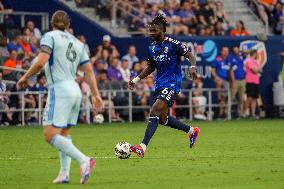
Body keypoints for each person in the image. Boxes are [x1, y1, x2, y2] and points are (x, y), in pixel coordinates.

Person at [16, 10, 103, 184]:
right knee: (63, 133)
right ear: (69, 25)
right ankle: (64, 174)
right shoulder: (78, 43)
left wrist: (25, 78)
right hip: (75, 90)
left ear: (51, 23)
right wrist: (96, 95)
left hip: (60, 89)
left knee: (49, 134)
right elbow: (88, 72)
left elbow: (41, 61)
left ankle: (84, 160)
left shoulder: (50, 36)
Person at [128, 14, 200, 158]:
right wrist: (136, 79)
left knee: (154, 111)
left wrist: (192, 66)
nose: (151, 33)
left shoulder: (173, 43)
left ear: (162, 30)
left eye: (154, 31)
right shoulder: (152, 47)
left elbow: (190, 55)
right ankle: (192, 131)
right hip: (159, 84)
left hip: (172, 83)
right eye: (150, 31)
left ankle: (142, 148)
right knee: (162, 119)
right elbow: (150, 67)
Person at [229, 46, 246, 118]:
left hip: (243, 80)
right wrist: (233, 82)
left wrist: (241, 51)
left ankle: (240, 114)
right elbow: (231, 71)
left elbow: (249, 52)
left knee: (241, 99)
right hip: (235, 80)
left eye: (237, 49)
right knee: (231, 98)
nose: (236, 50)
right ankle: (227, 114)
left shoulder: (242, 57)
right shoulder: (232, 58)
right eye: (235, 49)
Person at [245, 49, 262, 118]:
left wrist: (258, 69)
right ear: (254, 54)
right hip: (250, 81)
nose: (257, 55)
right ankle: (245, 112)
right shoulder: (249, 61)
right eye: (257, 54)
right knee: (249, 97)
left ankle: (253, 113)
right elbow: (255, 70)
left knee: (255, 98)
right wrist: (258, 69)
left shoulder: (256, 62)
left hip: (256, 81)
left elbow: (261, 70)